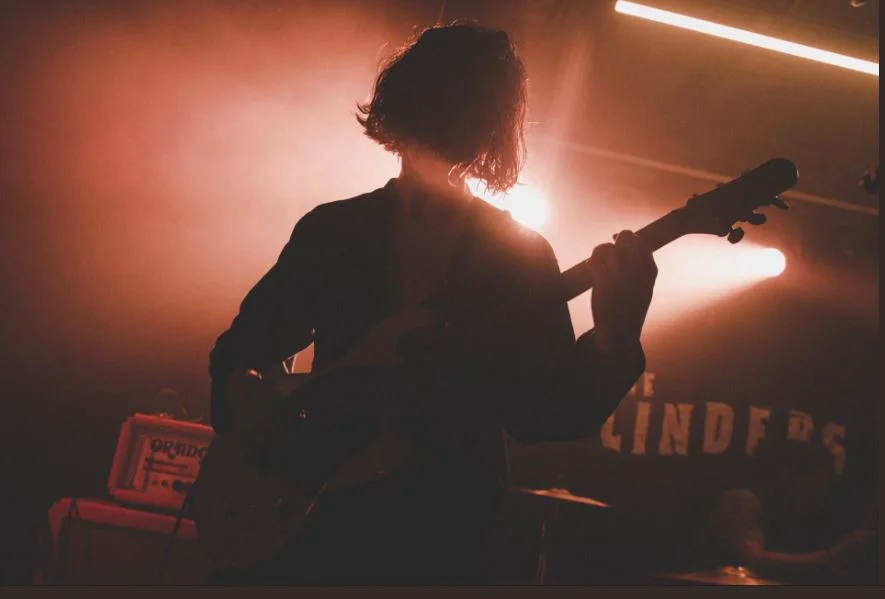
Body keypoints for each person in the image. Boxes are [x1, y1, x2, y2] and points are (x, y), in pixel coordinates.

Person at [207, 21, 657, 585]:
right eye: (442, 98)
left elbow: (546, 414)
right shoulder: (334, 231)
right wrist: (254, 408)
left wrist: (616, 333)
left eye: (470, 107)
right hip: (320, 518)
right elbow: (243, 350)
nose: (452, 119)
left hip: (447, 528)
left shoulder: (517, 255)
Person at [709, 439, 874, 583]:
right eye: (811, 492)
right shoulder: (740, 501)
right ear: (785, 476)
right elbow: (753, 561)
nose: (815, 502)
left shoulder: (787, 517)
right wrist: (832, 556)